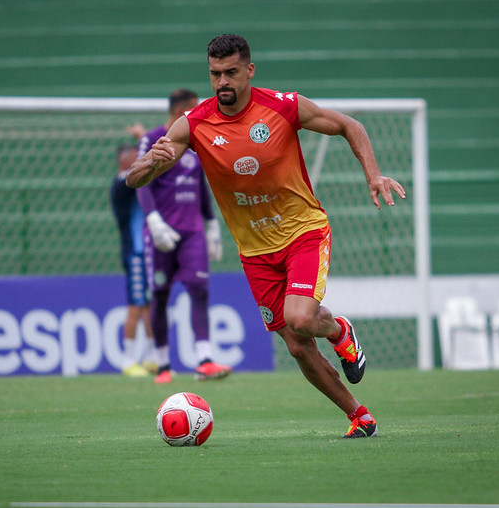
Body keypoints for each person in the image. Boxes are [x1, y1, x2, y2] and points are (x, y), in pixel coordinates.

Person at [127, 34, 406, 438]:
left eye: (231, 73)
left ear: (249, 71)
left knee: (300, 317)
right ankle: (359, 416)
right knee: (295, 344)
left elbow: (349, 125)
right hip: (255, 253)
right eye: (215, 74)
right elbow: (135, 180)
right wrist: (150, 163)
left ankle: (340, 331)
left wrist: (373, 173)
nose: (222, 81)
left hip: (302, 232)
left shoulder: (282, 106)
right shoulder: (194, 124)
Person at [135, 89, 232, 384]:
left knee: (199, 290)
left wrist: (212, 226)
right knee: (160, 296)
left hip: (192, 232)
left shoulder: (197, 139)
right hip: (162, 233)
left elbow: (200, 183)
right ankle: (163, 365)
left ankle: (204, 360)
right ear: (181, 111)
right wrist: (153, 221)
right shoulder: (152, 138)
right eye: (194, 108)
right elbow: (140, 181)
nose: (200, 113)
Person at [110, 143, 157, 377]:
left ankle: (151, 358)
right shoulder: (121, 183)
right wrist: (144, 144)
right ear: (123, 160)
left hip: (145, 252)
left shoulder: (135, 184)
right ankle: (128, 360)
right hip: (135, 253)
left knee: (148, 306)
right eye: (134, 157)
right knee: (136, 306)